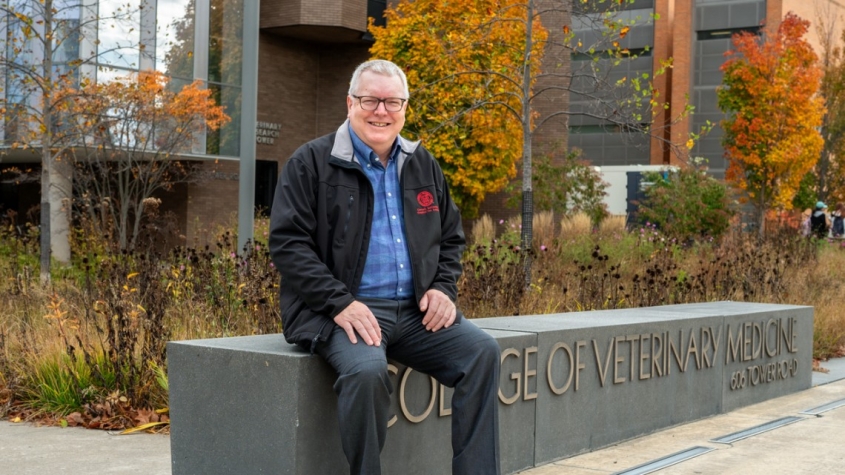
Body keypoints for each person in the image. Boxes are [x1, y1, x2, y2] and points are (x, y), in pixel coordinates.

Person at [269, 59, 501, 475]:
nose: (381, 111)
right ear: (349, 103)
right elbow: (288, 245)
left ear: (405, 107)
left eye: (392, 101)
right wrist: (340, 303)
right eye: (371, 100)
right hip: (338, 312)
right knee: (367, 371)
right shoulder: (311, 163)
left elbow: (450, 238)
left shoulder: (422, 163)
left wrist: (444, 288)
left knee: (482, 353)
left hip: (414, 314)